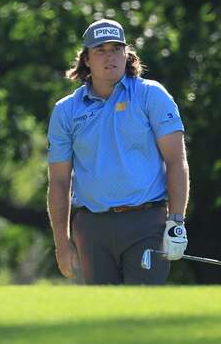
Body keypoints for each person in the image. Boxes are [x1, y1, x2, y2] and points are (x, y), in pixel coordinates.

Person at [46, 18, 189, 285]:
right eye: (100, 50)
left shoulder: (151, 95)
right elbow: (59, 181)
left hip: (147, 223)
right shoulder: (66, 111)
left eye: (115, 49)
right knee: (103, 318)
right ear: (86, 59)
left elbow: (176, 160)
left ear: (126, 54)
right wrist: (62, 243)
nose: (109, 56)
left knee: (143, 311)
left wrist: (177, 221)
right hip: (91, 229)